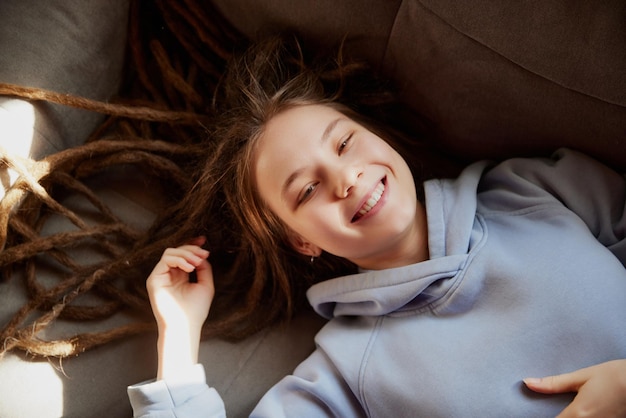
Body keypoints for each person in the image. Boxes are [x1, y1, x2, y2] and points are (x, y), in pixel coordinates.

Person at [127, 37, 626, 417]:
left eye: (344, 144)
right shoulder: (346, 372)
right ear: (301, 240)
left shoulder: (536, 189)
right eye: (306, 190)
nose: (346, 178)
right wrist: (177, 338)